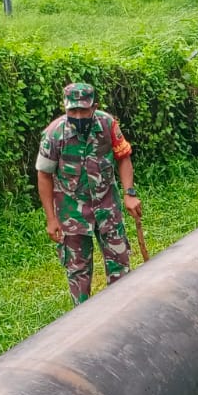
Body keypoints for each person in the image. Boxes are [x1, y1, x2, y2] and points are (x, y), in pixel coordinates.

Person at [35, 82, 143, 304]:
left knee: (120, 265)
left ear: (94, 106)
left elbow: (123, 158)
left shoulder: (107, 125)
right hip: (72, 214)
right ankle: (84, 324)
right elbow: (44, 175)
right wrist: (51, 219)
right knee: (78, 272)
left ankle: (123, 314)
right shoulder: (54, 135)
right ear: (65, 108)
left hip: (107, 208)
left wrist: (129, 193)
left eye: (83, 110)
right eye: (72, 111)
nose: (78, 115)